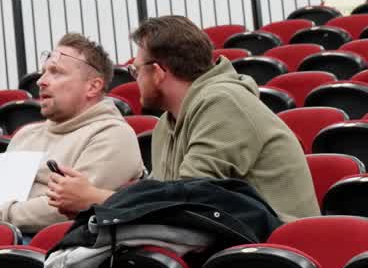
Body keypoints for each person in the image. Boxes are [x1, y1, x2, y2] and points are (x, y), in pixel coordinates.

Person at [48, 16, 320, 223]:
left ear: (158, 72)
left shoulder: (224, 102)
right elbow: (160, 196)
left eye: (137, 70)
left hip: (277, 255)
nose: (135, 80)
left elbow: (188, 200)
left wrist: (94, 197)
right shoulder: (167, 125)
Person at [0, 35, 144, 234]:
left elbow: (66, 207)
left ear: (93, 86)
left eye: (56, 72)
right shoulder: (24, 135)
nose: (41, 81)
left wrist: (3, 215)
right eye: (43, 73)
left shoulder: (113, 135)